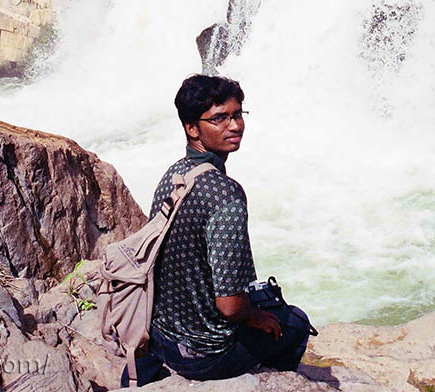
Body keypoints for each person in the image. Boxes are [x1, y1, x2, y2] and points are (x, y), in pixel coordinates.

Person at [126, 74, 312, 385]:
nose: (235, 125)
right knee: (294, 322)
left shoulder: (175, 175)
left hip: (159, 337)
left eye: (238, 114)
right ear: (192, 128)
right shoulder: (226, 195)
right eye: (220, 118)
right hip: (204, 356)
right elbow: (229, 306)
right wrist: (253, 316)